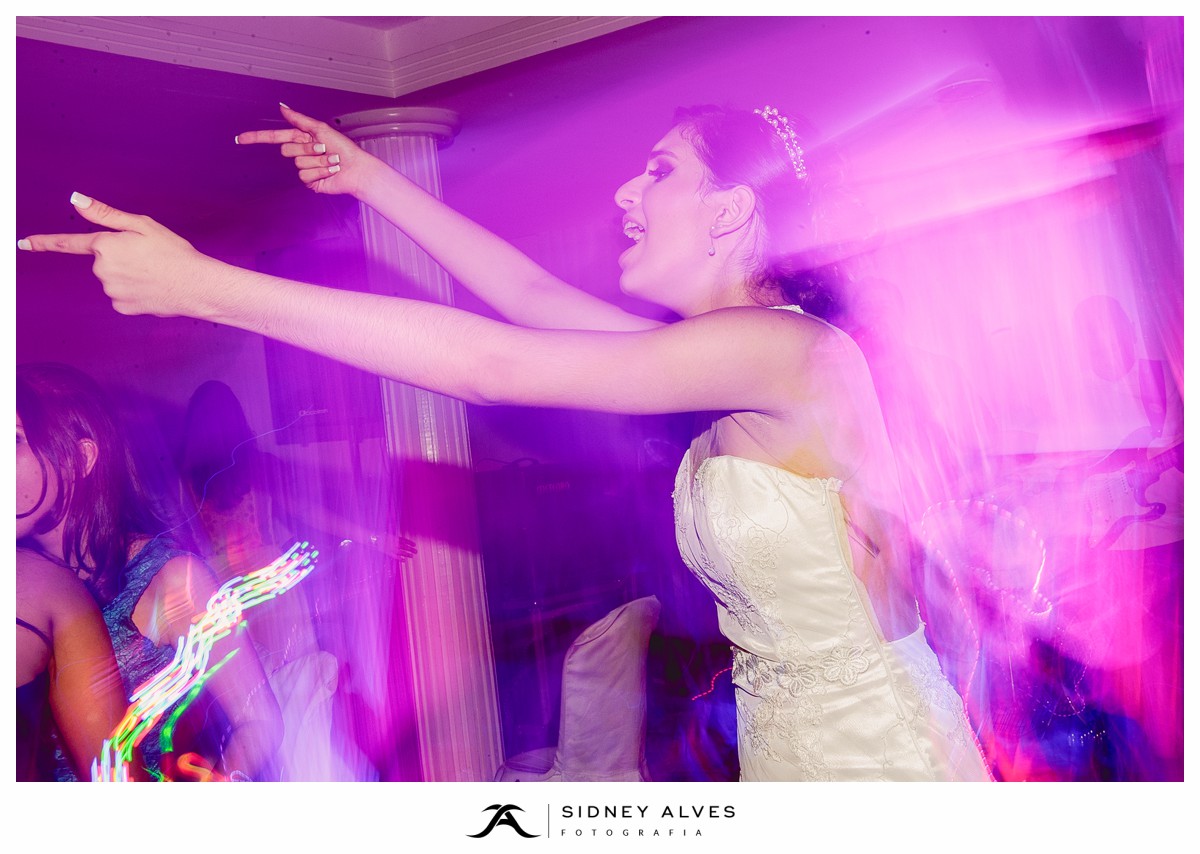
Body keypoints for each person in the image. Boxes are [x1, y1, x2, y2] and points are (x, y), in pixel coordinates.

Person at [20, 103, 990, 780]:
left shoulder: (785, 349)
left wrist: (210, 287)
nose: (625, 191)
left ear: (732, 210)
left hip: (873, 753)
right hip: (789, 742)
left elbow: (498, 365)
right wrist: (370, 178)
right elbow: (525, 298)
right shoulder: (724, 356)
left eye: (660, 170)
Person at [15, 363, 283, 781]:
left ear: (80, 458)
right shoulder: (21, 586)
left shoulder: (171, 580)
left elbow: (260, 722)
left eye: (12, 441)